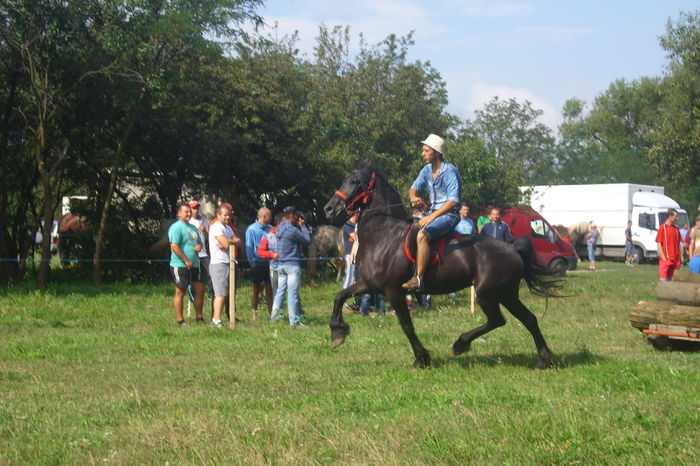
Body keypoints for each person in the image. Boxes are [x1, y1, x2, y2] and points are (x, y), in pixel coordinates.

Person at [403, 134, 461, 292]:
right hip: (432, 213)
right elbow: (413, 188)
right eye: (423, 150)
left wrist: (431, 217)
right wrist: (414, 197)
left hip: (449, 216)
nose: (423, 154)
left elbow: (453, 201)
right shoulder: (426, 170)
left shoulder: (449, 171)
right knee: (406, 228)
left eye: (426, 151)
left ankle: (419, 279)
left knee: (422, 235)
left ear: (436, 152)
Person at [270, 206, 311, 327]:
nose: (298, 219)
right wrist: (303, 226)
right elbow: (307, 240)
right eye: (296, 217)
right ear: (292, 216)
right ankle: (294, 321)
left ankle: (274, 318)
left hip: (281, 264)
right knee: (292, 294)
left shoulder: (279, 229)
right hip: (292, 265)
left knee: (280, 292)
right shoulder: (292, 230)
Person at [168, 204, 205, 327]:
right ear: (179, 213)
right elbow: (174, 246)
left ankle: (199, 317)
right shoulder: (176, 227)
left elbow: (200, 243)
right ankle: (180, 320)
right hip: (180, 265)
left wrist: (199, 247)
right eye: (186, 212)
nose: (189, 214)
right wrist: (185, 260)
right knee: (181, 291)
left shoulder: (193, 228)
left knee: (200, 289)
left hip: (195, 264)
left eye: (190, 212)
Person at [208, 204, 241, 327]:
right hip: (219, 264)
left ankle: (229, 317)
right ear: (218, 215)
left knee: (228, 293)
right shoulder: (216, 227)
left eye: (229, 215)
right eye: (225, 215)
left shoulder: (227, 228)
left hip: (229, 262)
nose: (228, 217)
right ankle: (216, 319)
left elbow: (238, 242)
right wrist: (229, 242)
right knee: (220, 294)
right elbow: (226, 244)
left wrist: (230, 242)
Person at [245, 207, 273, 317]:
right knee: (256, 290)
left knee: (269, 289)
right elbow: (249, 247)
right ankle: (254, 313)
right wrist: (252, 263)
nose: (270, 218)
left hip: (269, 263)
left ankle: (272, 314)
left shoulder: (270, 229)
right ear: (264, 216)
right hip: (257, 263)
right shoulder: (251, 229)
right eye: (269, 216)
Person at [188, 199, 211, 307]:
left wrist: (204, 231)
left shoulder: (203, 219)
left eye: (197, 208)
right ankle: (192, 296)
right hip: (193, 254)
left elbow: (209, 237)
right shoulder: (188, 222)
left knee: (210, 273)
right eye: (194, 208)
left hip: (203, 253)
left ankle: (211, 295)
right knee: (194, 277)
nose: (196, 210)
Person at [258, 213, 283, 300]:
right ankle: (277, 312)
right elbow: (260, 251)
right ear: (279, 223)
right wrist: (271, 255)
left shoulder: (289, 234)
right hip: (274, 269)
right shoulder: (268, 237)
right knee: (276, 291)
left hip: (288, 267)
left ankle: (296, 312)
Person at [656, 208, 682, 281]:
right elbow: (659, 245)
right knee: (664, 282)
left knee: (674, 283)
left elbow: (679, 244)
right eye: (675, 216)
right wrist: (664, 260)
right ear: (670, 216)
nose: (677, 218)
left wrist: (680, 258)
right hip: (666, 260)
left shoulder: (676, 229)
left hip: (675, 261)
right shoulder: (662, 228)